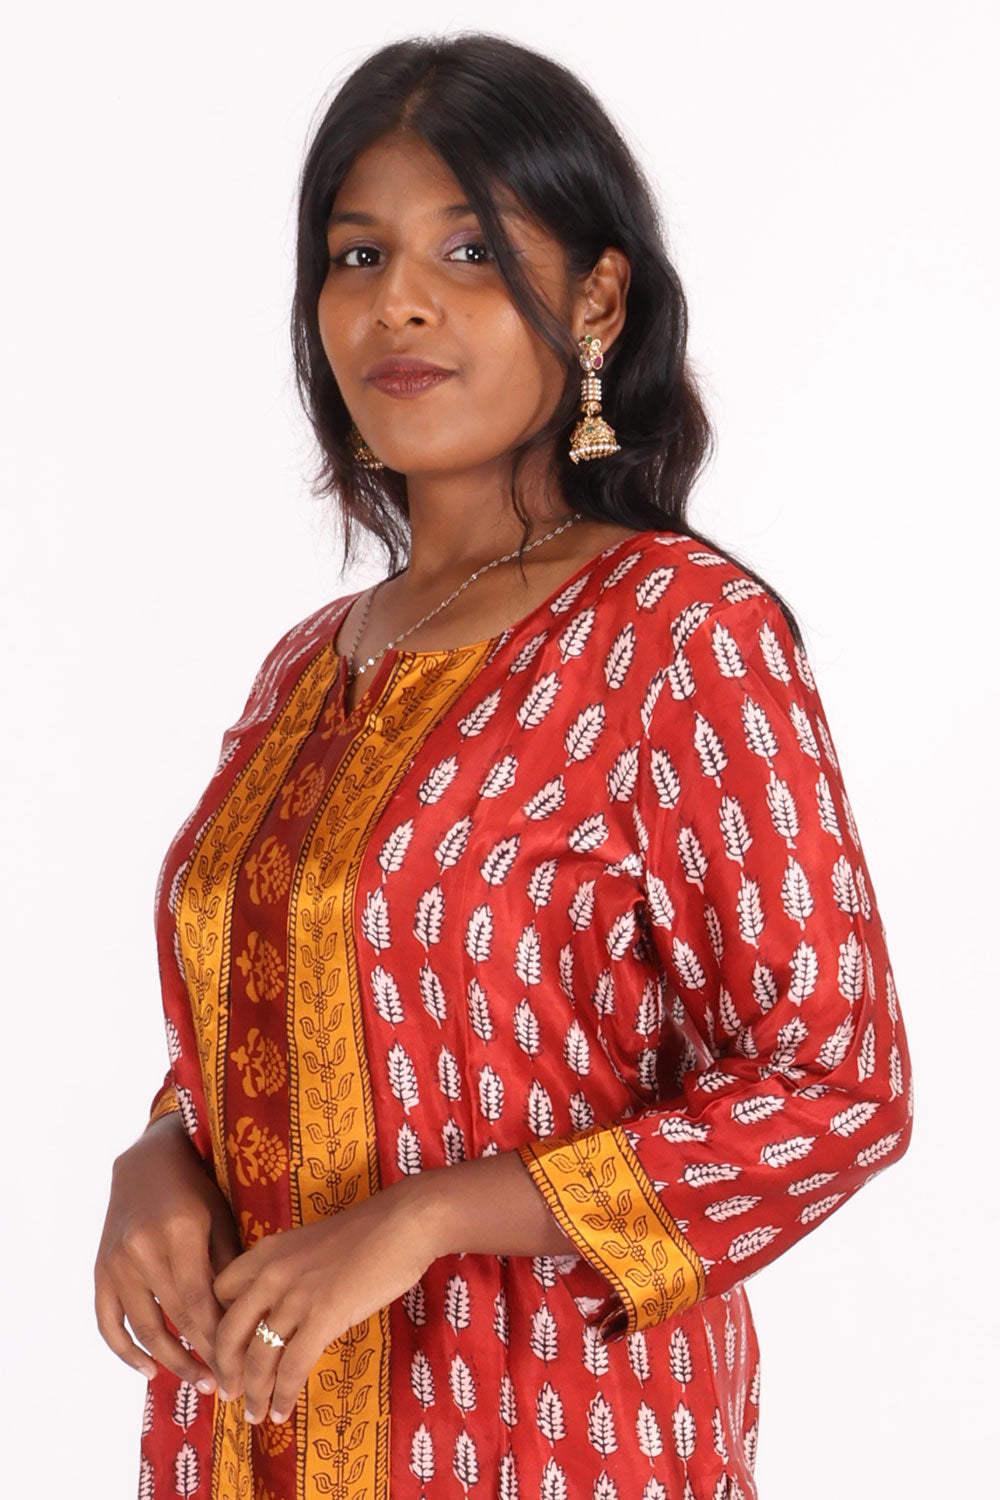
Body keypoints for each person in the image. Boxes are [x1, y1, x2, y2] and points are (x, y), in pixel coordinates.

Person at [95, 32, 914, 1500]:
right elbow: (317, 1003)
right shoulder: (306, 665)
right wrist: (158, 1153)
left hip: (545, 1434)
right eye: (357, 256)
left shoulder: (678, 632)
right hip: (246, 1437)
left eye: (470, 250)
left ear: (597, 297)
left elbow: (835, 1083)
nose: (397, 301)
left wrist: (425, 1220)